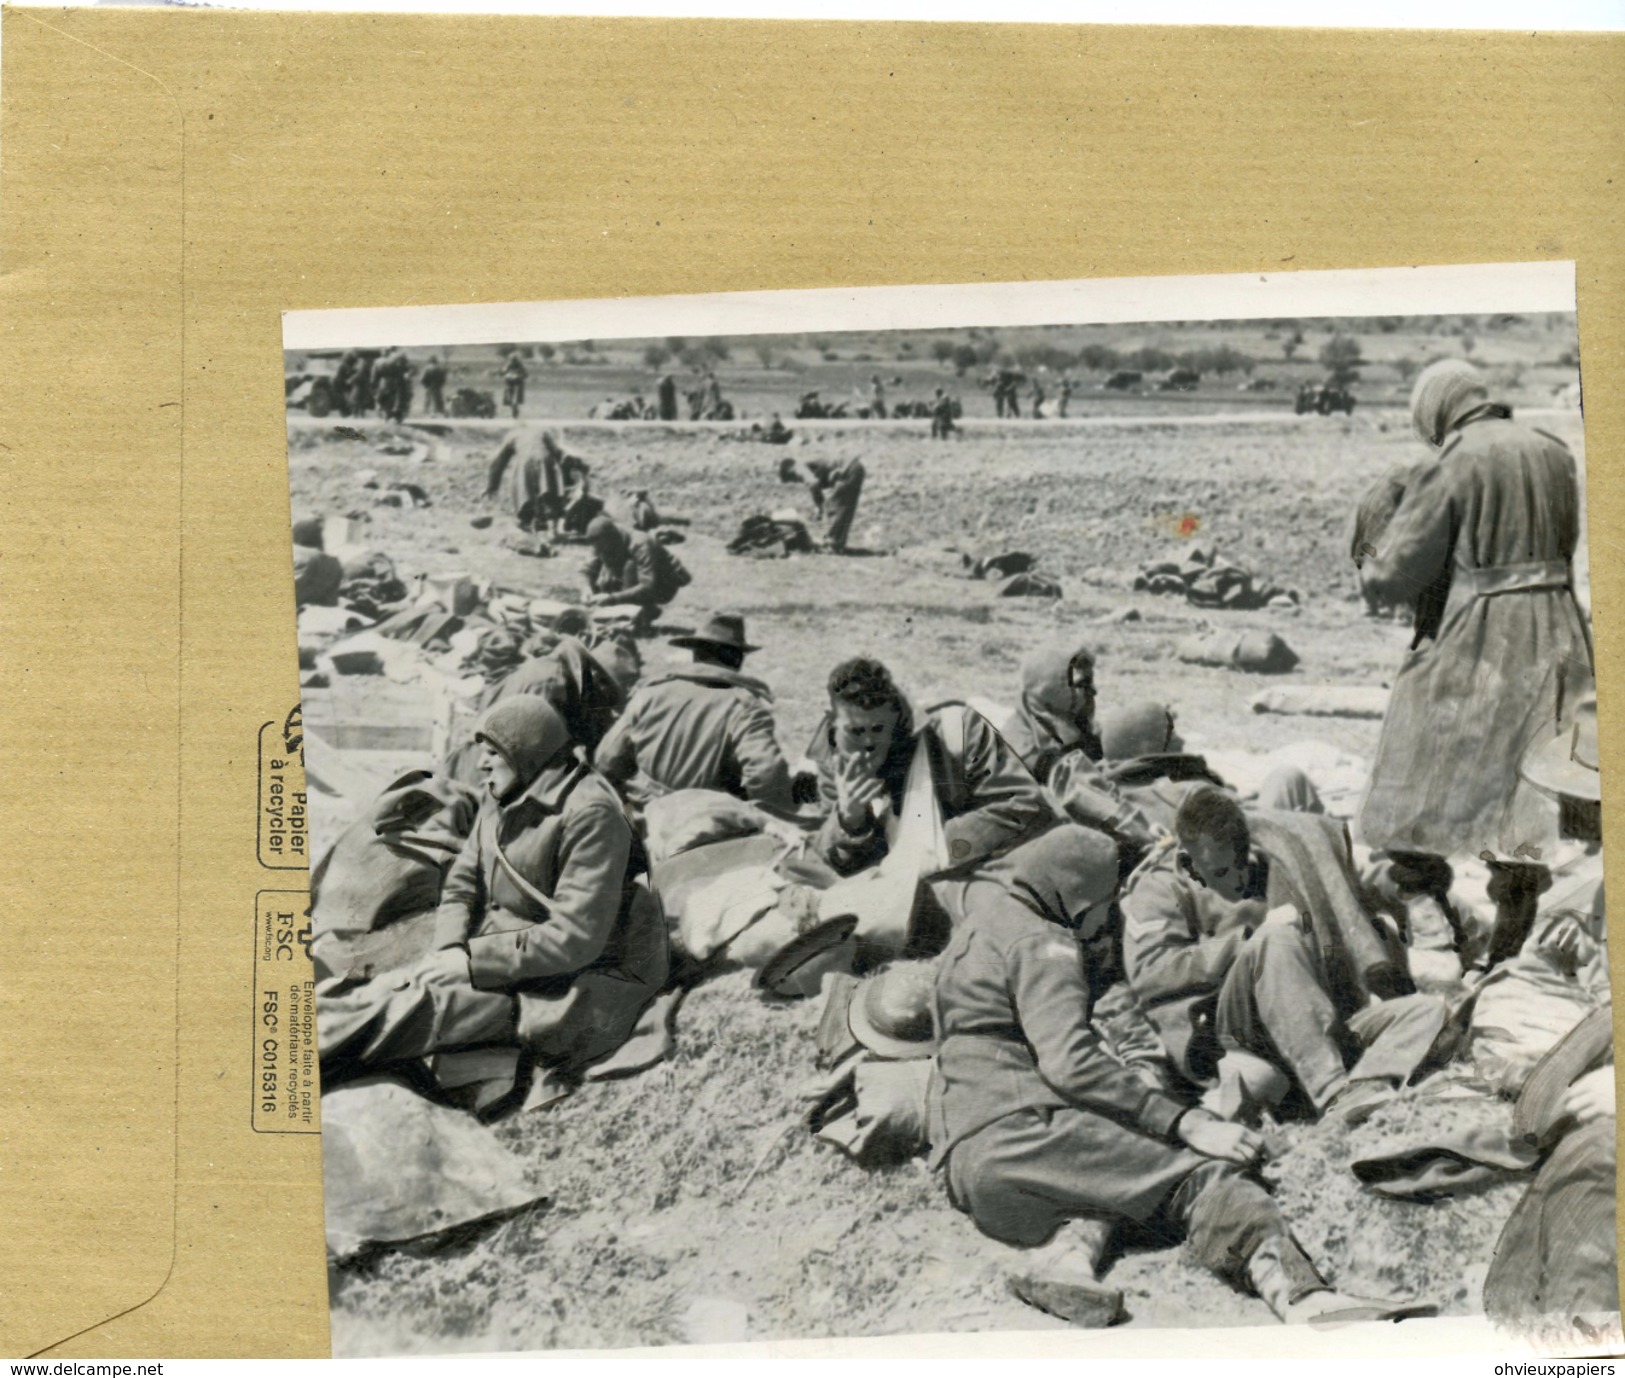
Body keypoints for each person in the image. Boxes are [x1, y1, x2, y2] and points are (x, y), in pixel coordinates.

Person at [932, 824, 1432, 1327]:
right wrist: (1184, 1123)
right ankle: (1304, 1299)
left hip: (974, 1164)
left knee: (1127, 1179)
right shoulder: (1042, 940)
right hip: (1023, 1133)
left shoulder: (975, 930)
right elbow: (1068, 1060)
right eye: (1104, 903)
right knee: (1202, 1172)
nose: (1105, 918)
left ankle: (1067, 1261)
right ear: (1076, 892)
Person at [317, 699, 668, 1092]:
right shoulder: (503, 793)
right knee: (386, 985)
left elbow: (576, 939)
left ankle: (289, 1058)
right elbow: (462, 882)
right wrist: (449, 948)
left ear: (528, 753)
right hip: (504, 961)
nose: (482, 764)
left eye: (494, 753)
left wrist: (470, 963)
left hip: (569, 987)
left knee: (411, 1011)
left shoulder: (592, 816)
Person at [1359, 359, 1593, 857]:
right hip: (1561, 623)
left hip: (1488, 630)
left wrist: (1372, 556)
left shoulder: (1450, 464)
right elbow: (1566, 544)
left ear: (1436, 413)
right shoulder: (1554, 452)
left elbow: (1395, 575)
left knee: (1419, 758)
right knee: (1543, 771)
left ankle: (1424, 881)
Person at [1123, 787, 1449, 1125]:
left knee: (1429, 1011)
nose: (1235, 879)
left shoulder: (1276, 862)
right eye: (1219, 872)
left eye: (1239, 864)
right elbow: (1151, 971)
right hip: (1236, 1030)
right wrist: (1243, 941)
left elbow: (1354, 899)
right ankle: (1334, 1092)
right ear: (1188, 859)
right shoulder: (1163, 887)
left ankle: (1367, 1085)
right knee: (1276, 940)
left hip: (1314, 1023)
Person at [812, 656, 1049, 883]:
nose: (867, 744)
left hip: (974, 870)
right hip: (890, 891)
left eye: (877, 730)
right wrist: (850, 823)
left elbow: (1023, 803)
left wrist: (937, 847)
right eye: (855, 732)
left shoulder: (957, 730)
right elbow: (840, 866)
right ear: (835, 724)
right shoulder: (832, 758)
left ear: (895, 721)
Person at [596, 614, 794, 810]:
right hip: (708, 819)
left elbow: (607, 761)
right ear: (737, 659)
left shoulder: (649, 693)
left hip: (646, 811)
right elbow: (767, 774)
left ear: (695, 654)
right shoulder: (744, 706)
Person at [1003, 641, 1101, 786]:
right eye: (1082, 684)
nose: (1094, 690)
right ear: (1050, 690)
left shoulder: (1077, 723)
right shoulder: (1020, 746)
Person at [579, 515, 689, 632]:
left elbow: (648, 586)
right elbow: (586, 570)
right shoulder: (602, 540)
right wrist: (586, 588)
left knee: (629, 566)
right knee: (604, 577)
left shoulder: (640, 543)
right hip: (641, 580)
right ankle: (636, 612)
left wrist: (612, 598)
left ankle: (642, 612)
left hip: (663, 584)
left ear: (612, 538)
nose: (600, 551)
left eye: (603, 548)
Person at [486, 428, 587, 535]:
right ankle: (552, 529)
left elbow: (499, 462)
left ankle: (527, 524)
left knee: (524, 494)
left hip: (525, 462)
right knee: (549, 493)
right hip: (545, 459)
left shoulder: (512, 435)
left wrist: (492, 486)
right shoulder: (543, 431)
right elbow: (557, 453)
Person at [501, 352, 528, 419]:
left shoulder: (520, 366)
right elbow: (502, 372)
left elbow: (525, 375)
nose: (512, 361)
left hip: (517, 384)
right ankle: (514, 410)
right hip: (509, 383)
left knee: (515, 399)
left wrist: (518, 376)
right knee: (509, 399)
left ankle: (515, 412)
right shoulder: (508, 366)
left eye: (514, 359)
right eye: (511, 359)